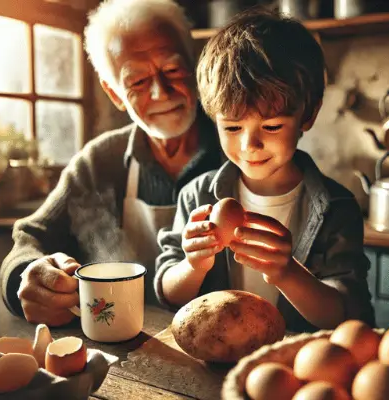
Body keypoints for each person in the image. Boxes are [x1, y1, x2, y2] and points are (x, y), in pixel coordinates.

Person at [0, 0, 225, 327]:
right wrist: (27, 278)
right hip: (125, 353)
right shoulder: (99, 162)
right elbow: (30, 237)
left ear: (195, 66)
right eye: (137, 82)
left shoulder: (242, 145)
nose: (161, 92)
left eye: (172, 70)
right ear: (115, 93)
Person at [154, 9, 375, 332]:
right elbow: (168, 295)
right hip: (214, 361)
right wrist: (193, 265)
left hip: (294, 366)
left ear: (308, 116)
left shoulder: (336, 207)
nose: (249, 145)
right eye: (231, 128)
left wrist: (287, 273)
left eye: (271, 126)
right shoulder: (197, 196)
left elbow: (347, 315)